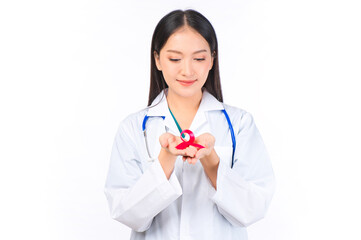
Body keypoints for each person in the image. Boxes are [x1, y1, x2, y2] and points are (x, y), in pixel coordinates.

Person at [104, 9, 275, 240]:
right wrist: (165, 159)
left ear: (212, 59)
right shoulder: (134, 128)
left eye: (199, 58)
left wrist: (211, 160)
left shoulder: (239, 124)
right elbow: (128, 214)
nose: (187, 70)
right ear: (157, 59)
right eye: (175, 59)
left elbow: (253, 209)